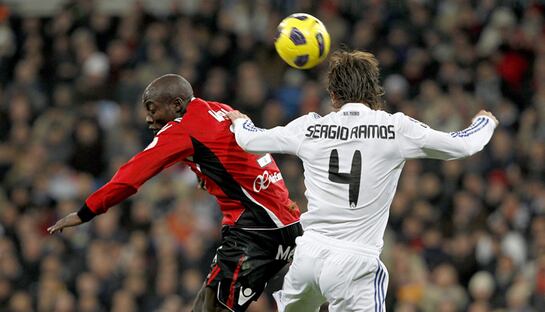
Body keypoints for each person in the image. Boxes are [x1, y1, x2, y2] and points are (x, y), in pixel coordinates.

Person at [226, 50, 498, 312]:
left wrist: (240, 122)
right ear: (373, 91)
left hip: (308, 257)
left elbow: (250, 140)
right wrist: (484, 122)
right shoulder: (395, 128)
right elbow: (463, 145)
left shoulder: (308, 127)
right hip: (355, 263)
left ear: (333, 94)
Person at [47, 74, 303, 312]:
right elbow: (235, 156)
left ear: (177, 105)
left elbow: (130, 176)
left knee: (211, 306)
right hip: (288, 223)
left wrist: (86, 212)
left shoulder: (182, 127)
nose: (148, 118)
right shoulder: (220, 109)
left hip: (257, 229)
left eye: (152, 109)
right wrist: (206, 176)